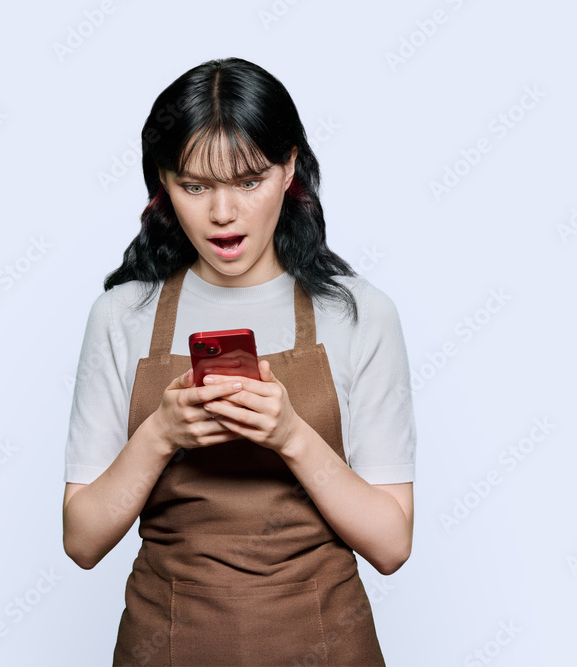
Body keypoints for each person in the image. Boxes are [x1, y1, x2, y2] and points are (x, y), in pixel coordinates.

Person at [62, 57, 416, 666]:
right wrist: (161, 434)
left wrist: (290, 436)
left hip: (324, 644)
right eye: (195, 186)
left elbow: (391, 545)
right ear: (162, 187)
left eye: (248, 181)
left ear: (289, 170)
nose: (222, 213)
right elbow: (83, 541)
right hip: (168, 644)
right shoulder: (121, 316)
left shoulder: (360, 314)